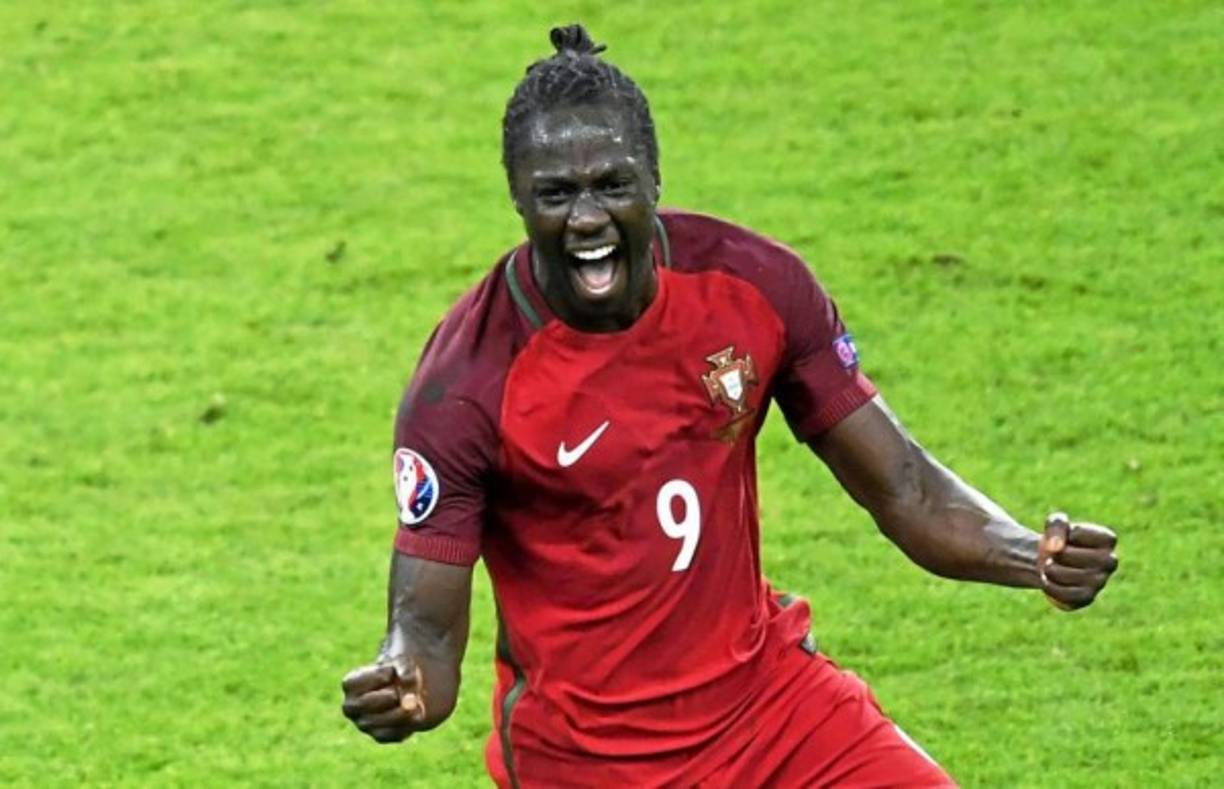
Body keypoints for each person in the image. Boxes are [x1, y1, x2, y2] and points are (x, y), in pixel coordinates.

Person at [340, 24, 1119, 787]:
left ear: (654, 181)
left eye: (612, 184)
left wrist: (1032, 557)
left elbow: (906, 489)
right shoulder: (467, 385)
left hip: (772, 712)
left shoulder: (753, 289)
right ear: (517, 196)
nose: (587, 219)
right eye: (556, 194)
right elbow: (428, 633)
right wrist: (401, 682)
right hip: (590, 763)